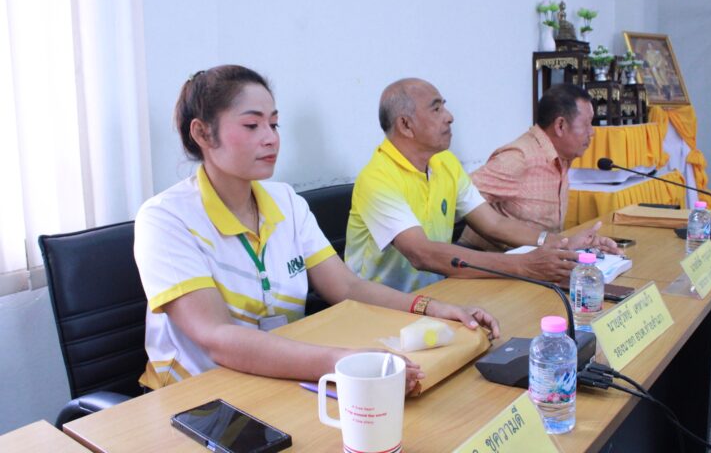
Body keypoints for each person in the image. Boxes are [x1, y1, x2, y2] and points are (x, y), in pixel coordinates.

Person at [134, 65, 499, 393]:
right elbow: (217, 337)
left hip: (280, 376)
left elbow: (347, 287)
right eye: (252, 125)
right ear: (202, 133)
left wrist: (430, 307)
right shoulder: (166, 219)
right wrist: (342, 363)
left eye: (274, 124)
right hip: (198, 396)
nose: (271, 138)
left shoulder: (286, 202)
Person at [345, 78, 618, 293]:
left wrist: (561, 243)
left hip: (439, 295)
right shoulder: (377, 179)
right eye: (436, 109)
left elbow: (493, 224)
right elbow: (422, 254)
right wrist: (523, 265)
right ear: (405, 125)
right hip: (379, 307)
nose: (449, 116)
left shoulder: (445, 163)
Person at [459, 83, 596, 250]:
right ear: (560, 125)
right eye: (586, 124)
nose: (592, 132)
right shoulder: (519, 157)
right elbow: (459, 195)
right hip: (492, 259)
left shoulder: (563, 157)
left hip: (540, 256)